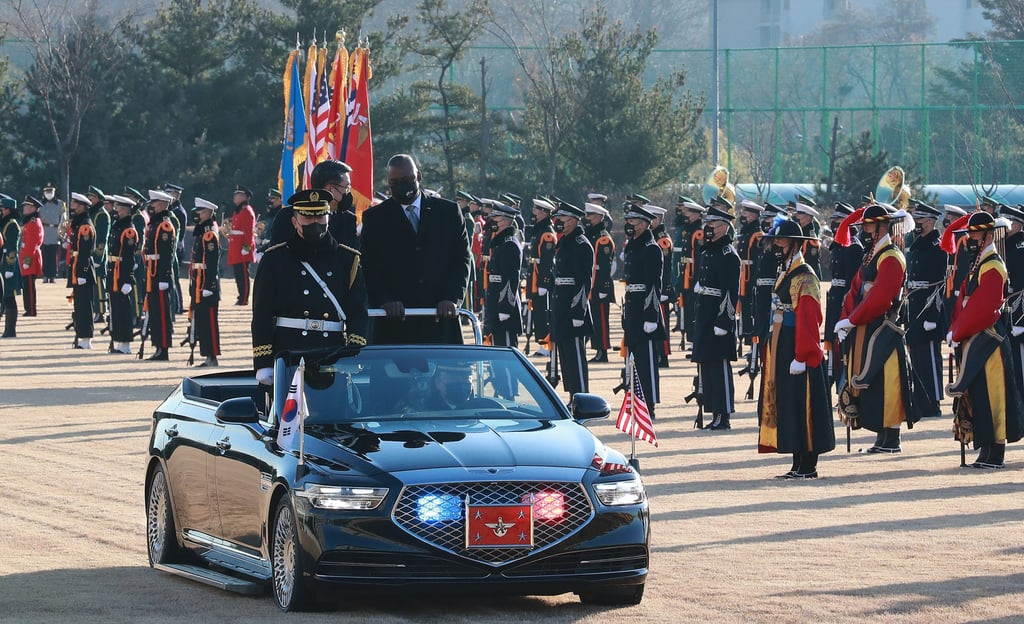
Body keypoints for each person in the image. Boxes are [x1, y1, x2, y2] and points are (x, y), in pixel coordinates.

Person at [251, 189, 368, 384]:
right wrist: (263, 362)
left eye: (321, 216)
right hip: (289, 351)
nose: (315, 223)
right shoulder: (275, 259)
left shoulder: (348, 259)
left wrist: (353, 352)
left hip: (332, 353)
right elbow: (262, 312)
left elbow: (358, 311)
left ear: (328, 218)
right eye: (307, 218)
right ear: (295, 222)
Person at [359, 154, 471, 345]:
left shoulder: (448, 212)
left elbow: (461, 259)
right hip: (395, 323)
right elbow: (369, 265)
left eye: (407, 179)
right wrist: (385, 300)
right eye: (395, 182)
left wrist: (452, 298)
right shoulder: (375, 218)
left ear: (419, 176)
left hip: (440, 318)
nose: (401, 186)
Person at [833, 203, 917, 453]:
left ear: (882, 227)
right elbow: (856, 288)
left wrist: (853, 318)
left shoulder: (891, 255)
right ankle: (882, 434)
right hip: (866, 324)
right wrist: (845, 318)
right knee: (874, 382)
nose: (865, 230)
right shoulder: (872, 253)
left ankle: (891, 436)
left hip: (883, 326)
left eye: (869, 226)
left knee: (887, 381)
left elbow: (881, 297)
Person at [944, 210, 1024, 468]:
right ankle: (986, 447)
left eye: (975, 233)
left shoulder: (993, 264)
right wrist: (955, 327)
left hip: (989, 338)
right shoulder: (979, 262)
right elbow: (964, 300)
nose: (971, 237)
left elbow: (982, 307)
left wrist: (958, 331)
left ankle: (996, 450)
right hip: (974, 336)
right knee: (979, 395)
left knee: (994, 395)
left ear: (988, 235)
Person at [757, 219, 835, 479]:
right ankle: (796, 461)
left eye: (781, 241)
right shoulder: (786, 271)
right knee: (788, 403)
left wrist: (803, 355)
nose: (776, 245)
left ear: (794, 244)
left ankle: (808, 464)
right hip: (782, 343)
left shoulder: (805, 276)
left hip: (797, 346)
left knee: (803, 404)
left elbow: (809, 318)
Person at [692, 200, 741, 431]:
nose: (708, 226)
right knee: (708, 366)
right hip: (705, 314)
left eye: (712, 223)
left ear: (723, 227)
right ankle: (714, 412)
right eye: (707, 222)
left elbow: (731, 293)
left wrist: (724, 321)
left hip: (718, 318)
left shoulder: (728, 254)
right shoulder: (709, 250)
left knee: (720, 367)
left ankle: (724, 415)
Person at [904, 202, 947, 418]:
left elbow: (940, 286)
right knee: (917, 359)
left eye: (920, 220)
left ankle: (933, 400)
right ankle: (921, 399)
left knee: (930, 357)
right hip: (914, 307)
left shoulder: (938, 248)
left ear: (930, 221)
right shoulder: (917, 245)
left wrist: (933, 315)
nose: (917, 224)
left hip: (927, 309)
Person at [621, 203, 664, 420]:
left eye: (633, 221)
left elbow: (654, 285)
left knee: (646, 363)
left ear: (644, 224)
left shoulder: (651, 248)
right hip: (632, 307)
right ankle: (636, 403)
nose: (629, 224)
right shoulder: (633, 246)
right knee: (633, 360)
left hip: (645, 310)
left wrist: (651, 316)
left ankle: (649, 404)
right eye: (628, 221)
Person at [550, 200, 594, 396]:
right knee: (566, 358)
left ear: (574, 221)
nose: (558, 221)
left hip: (573, 309)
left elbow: (583, 282)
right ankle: (572, 397)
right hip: (561, 306)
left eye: (562, 218)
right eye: (557, 218)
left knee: (575, 358)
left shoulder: (581, 244)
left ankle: (581, 396)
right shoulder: (565, 242)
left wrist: (578, 311)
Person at [269, 160, 359, 250]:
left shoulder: (348, 220)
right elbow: (276, 256)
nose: (348, 192)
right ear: (330, 189)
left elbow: (350, 258)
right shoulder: (287, 215)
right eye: (346, 187)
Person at [823, 202, 864, 390]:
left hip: (845, 302)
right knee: (832, 343)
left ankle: (843, 387)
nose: (834, 225)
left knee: (844, 348)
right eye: (834, 221)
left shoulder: (854, 247)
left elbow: (853, 282)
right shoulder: (839, 245)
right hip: (835, 299)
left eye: (839, 221)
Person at [482, 201, 523, 350]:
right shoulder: (500, 243)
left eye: (496, 218)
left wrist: (505, 308)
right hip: (495, 303)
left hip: (504, 308)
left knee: (505, 350)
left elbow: (511, 279)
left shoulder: (510, 244)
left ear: (505, 221)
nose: (491, 221)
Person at [142, 190, 177, 361]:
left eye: (154, 203)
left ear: (162, 205)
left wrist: (164, 277)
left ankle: (163, 349)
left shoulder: (164, 225)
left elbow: (166, 254)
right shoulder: (155, 224)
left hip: (160, 274)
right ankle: (157, 346)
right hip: (152, 272)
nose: (151, 206)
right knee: (155, 312)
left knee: (162, 313)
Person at [188, 198, 222, 367]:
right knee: (202, 320)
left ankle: (212, 355)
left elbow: (213, 261)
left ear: (208, 213)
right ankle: (207, 354)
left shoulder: (209, 233)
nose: (198, 215)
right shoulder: (202, 231)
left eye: (200, 211)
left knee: (209, 320)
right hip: (199, 280)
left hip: (207, 283)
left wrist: (209, 285)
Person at [106, 195, 139, 354]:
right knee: (115, 308)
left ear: (126, 210)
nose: (116, 210)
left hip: (122, 273)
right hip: (114, 270)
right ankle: (117, 340)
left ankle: (125, 343)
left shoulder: (129, 230)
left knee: (124, 309)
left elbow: (129, 257)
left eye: (119, 207)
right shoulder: (118, 226)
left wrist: (127, 279)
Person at [525, 197, 557, 356]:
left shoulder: (547, 233)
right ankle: (541, 343)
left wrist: (544, 282)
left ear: (544, 212)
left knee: (543, 313)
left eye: (537, 209)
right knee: (538, 312)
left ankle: (545, 346)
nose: (534, 211)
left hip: (541, 277)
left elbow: (547, 260)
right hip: (534, 275)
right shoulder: (539, 229)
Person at [584, 202, 614, 362]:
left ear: (600, 217)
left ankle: (603, 351)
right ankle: (597, 350)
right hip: (591, 284)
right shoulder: (591, 234)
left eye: (591, 215)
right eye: (587, 215)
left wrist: (603, 287)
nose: (588, 218)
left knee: (601, 320)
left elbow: (604, 267)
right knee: (594, 319)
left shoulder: (603, 238)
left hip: (599, 285)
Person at [736, 199, 764, 369]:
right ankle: (747, 341)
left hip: (751, 278)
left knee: (751, 309)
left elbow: (758, 260)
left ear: (754, 215)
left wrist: (754, 281)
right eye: (743, 212)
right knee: (744, 309)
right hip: (743, 277)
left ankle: (754, 346)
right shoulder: (746, 232)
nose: (743, 215)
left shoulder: (757, 234)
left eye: (746, 212)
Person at [67, 193, 97, 349]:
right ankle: (80, 337)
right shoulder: (79, 224)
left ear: (81, 206)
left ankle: (85, 339)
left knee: (84, 306)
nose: (72, 206)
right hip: (77, 267)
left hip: (82, 269)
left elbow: (85, 252)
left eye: (74, 203)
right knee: (79, 305)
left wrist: (82, 273)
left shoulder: (85, 225)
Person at [674, 197, 705, 351]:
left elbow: (699, 258)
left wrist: (699, 278)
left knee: (694, 307)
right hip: (686, 273)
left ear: (697, 215)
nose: (685, 215)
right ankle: (690, 337)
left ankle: (695, 339)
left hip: (693, 276)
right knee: (686, 307)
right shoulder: (689, 230)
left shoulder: (699, 232)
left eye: (689, 213)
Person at [648, 205, 674, 368]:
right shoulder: (653, 236)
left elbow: (665, 269)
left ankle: (663, 355)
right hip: (654, 288)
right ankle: (657, 353)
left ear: (658, 219)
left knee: (662, 321)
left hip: (662, 288)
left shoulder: (662, 239)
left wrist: (664, 289)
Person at [1003, 205, 1024, 391]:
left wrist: (1021, 319)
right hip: (1008, 315)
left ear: (1017, 225)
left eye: (1008, 223)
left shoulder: (1020, 248)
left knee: (1021, 367)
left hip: (1019, 316)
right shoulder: (1006, 247)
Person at [226, 185, 256, 306]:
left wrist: (247, 247)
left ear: (244, 197)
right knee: (238, 274)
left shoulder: (247, 211)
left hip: (242, 247)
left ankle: (244, 298)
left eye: (237, 195)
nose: (235, 197)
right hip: (236, 246)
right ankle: (241, 296)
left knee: (243, 274)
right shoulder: (239, 210)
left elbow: (248, 232)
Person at [86, 186, 110, 324]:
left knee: (100, 283)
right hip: (91, 254)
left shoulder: (102, 214)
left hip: (98, 255)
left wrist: (98, 257)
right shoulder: (93, 213)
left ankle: (101, 311)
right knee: (94, 285)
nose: (90, 199)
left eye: (92, 197)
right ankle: (95, 310)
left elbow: (102, 238)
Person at [19, 196, 44, 320]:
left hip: (30, 258)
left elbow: (32, 243)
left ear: (33, 209)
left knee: (29, 285)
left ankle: (31, 309)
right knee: (26, 285)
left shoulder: (34, 222)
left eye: (27, 207)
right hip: (26, 256)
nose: (24, 208)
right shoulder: (29, 221)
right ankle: (28, 308)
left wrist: (27, 261)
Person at [164, 183, 187, 314]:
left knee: (174, 276)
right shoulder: (172, 209)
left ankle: (178, 305)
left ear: (177, 195)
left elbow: (180, 233)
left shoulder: (178, 211)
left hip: (176, 247)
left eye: (170, 193)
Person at [0, 196, 21, 338]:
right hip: (4, 264)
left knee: (9, 297)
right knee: (5, 297)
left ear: (8, 209)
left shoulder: (12, 224)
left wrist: (9, 268)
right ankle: (7, 329)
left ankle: (11, 329)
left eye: (2, 209)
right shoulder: (5, 223)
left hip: (9, 265)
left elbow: (12, 248)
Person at [38, 183, 65, 283]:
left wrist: (62, 234)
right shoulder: (40, 204)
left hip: (55, 230)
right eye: (47, 192)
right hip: (44, 230)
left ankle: (53, 275)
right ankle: (45, 275)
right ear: (44, 193)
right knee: (44, 254)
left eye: (51, 192)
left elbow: (63, 219)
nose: (49, 194)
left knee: (54, 255)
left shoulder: (60, 204)